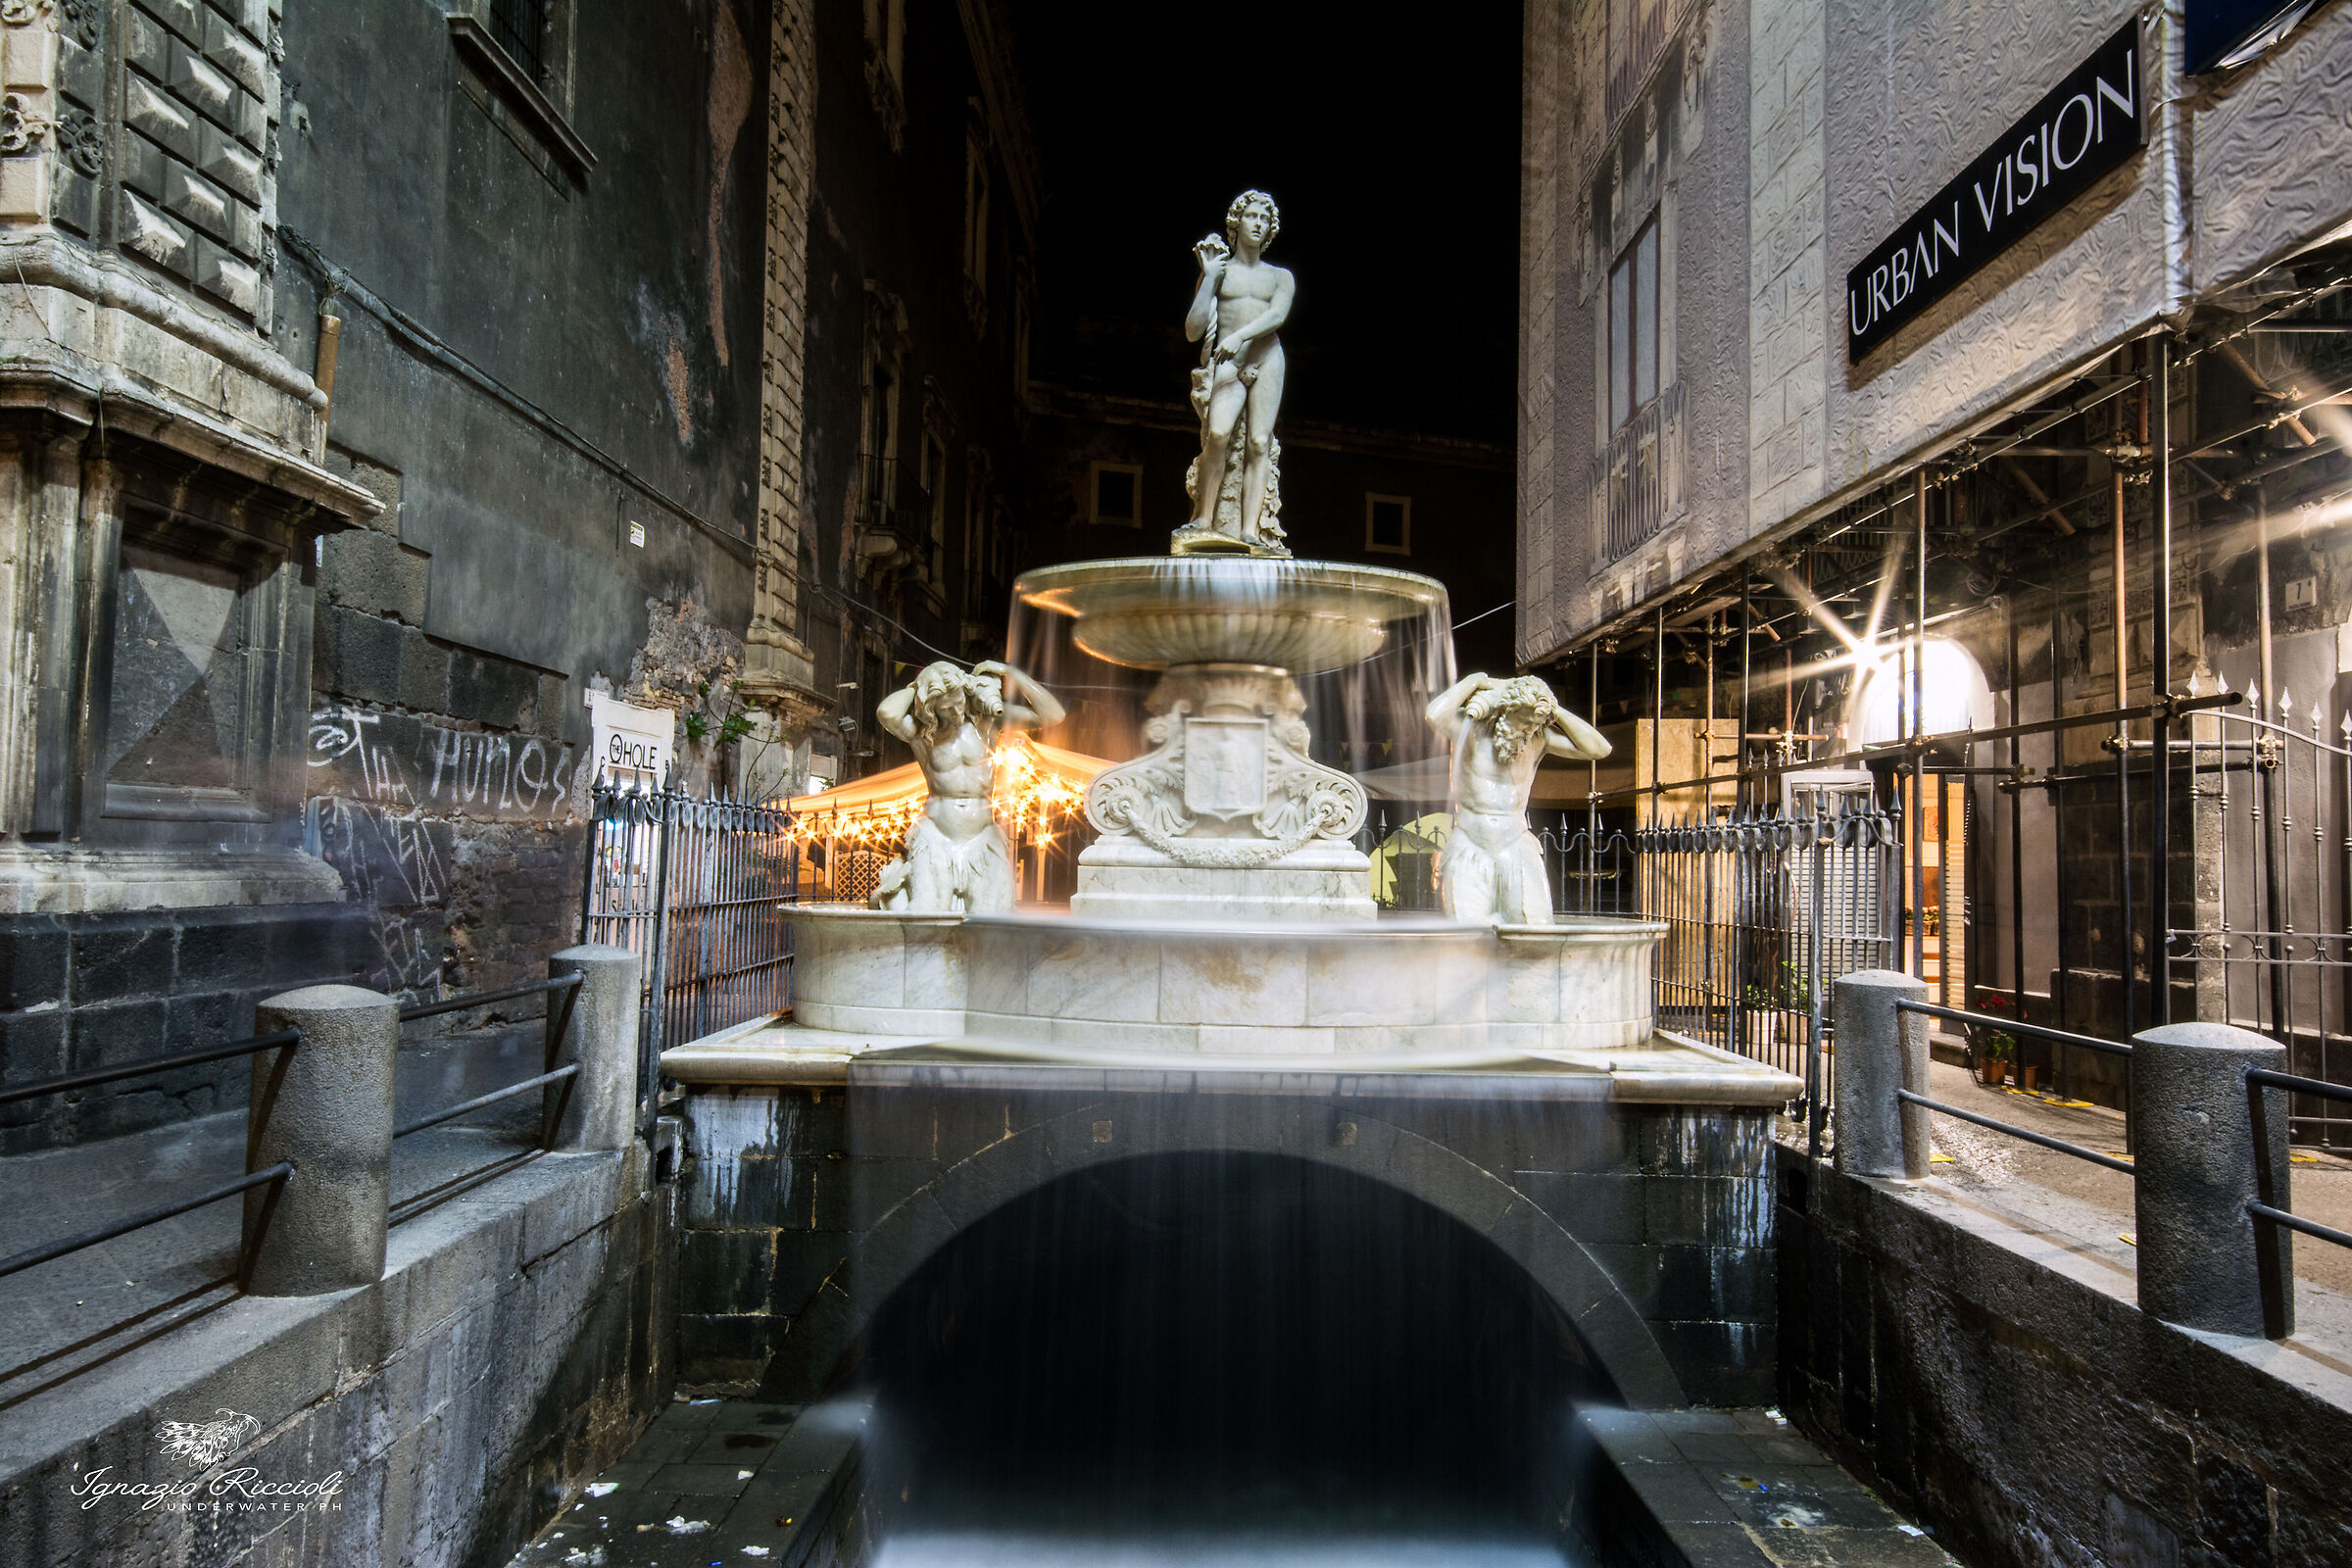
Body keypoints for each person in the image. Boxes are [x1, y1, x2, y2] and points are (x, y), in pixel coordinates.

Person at [870, 660, 1065, 913]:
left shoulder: (988, 724)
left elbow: (1053, 716)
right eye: (946, 709)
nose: (955, 713)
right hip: (935, 838)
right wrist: (921, 684)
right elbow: (887, 713)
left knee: (990, 919)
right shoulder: (922, 734)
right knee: (926, 913)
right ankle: (896, 894)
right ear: (931, 709)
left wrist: (1011, 672)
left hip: (982, 837)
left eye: (958, 703)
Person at [1426, 672, 1610, 925]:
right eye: (1525, 723)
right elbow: (1434, 715)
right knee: (1466, 935)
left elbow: (1599, 749)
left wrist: (1555, 711)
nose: (1530, 730)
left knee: (1534, 928)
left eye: (1536, 724)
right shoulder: (1470, 731)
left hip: (1516, 845)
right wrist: (1474, 681)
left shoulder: (1538, 738)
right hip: (1470, 844)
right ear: (1506, 711)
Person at [1182, 190, 1293, 551]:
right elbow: (1193, 330)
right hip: (1229, 363)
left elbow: (1276, 316)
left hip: (1266, 357)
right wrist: (1209, 278)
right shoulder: (1220, 272)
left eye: (1265, 219)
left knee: (1259, 443)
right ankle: (1203, 517)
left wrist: (1241, 336)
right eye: (1252, 217)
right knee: (1218, 433)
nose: (1258, 224)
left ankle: (1249, 532)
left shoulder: (1280, 277)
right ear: (1236, 223)